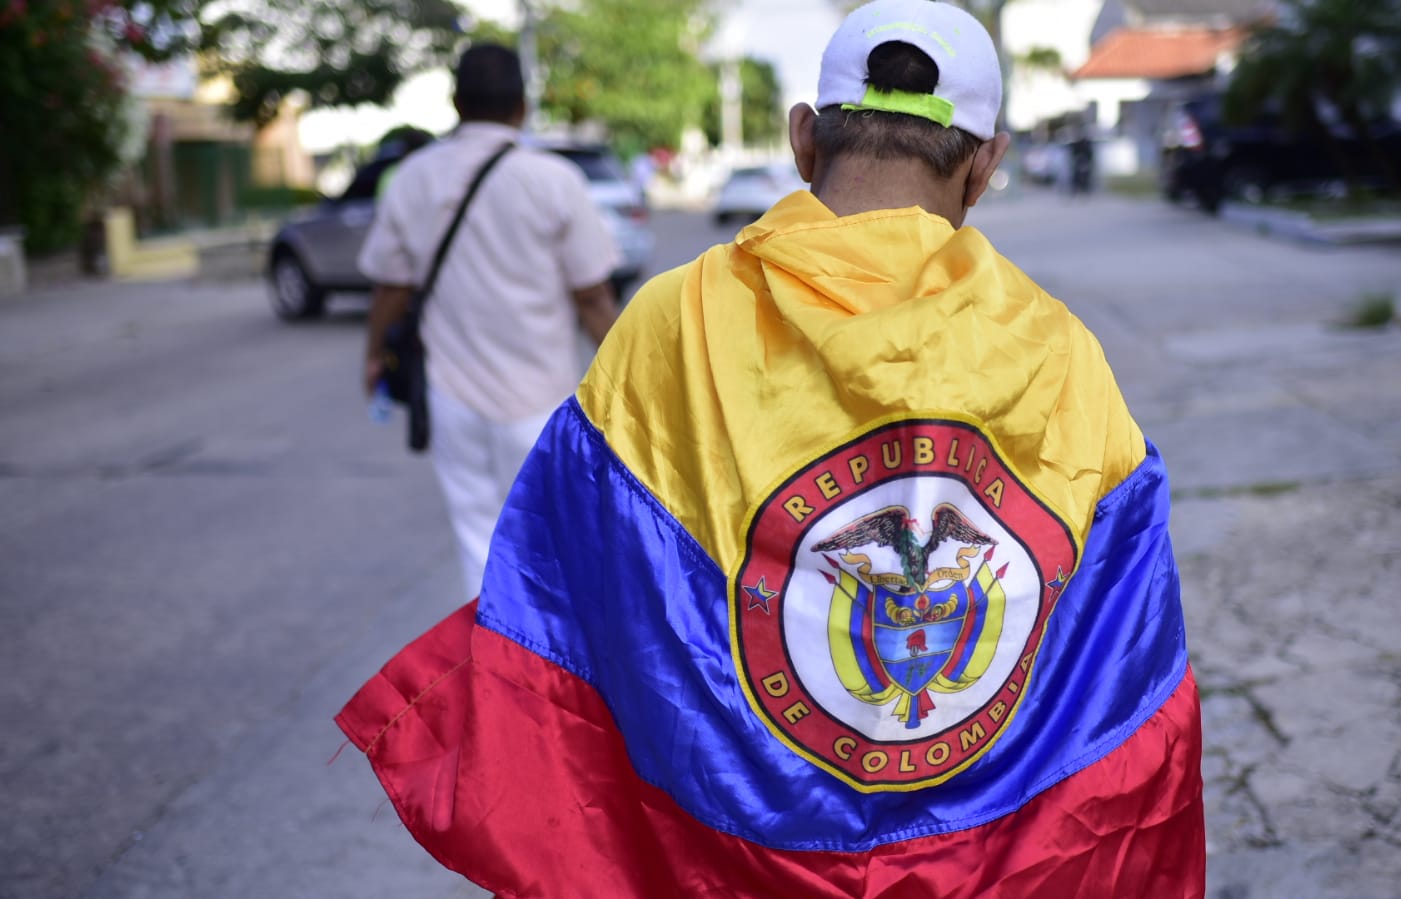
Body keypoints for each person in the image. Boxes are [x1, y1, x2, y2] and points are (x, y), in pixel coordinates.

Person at [338, 3, 1204, 896]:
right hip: (969, 855)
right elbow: (1114, 645)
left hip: (733, 855)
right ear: (986, 164)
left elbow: (584, 596)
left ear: (801, 138)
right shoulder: (1060, 354)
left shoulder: (673, 322)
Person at [357, 43, 621, 599]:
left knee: (477, 539)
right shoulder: (553, 179)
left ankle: (489, 665)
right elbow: (593, 297)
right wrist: (633, 376)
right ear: (522, 107)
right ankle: (552, 672)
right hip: (541, 401)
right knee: (554, 545)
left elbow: (390, 288)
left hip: (452, 399)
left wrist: (375, 354)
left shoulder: (412, 177)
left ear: (456, 102)